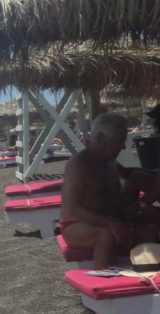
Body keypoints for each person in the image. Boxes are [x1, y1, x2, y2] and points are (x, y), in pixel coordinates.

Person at [60, 113, 159, 269]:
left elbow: (132, 175)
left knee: (152, 221)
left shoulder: (109, 160)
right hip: (79, 224)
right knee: (106, 233)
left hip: (112, 215)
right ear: (100, 138)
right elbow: (72, 209)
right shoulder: (79, 164)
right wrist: (109, 222)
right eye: (119, 142)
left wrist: (154, 179)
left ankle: (148, 268)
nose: (123, 147)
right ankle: (105, 278)